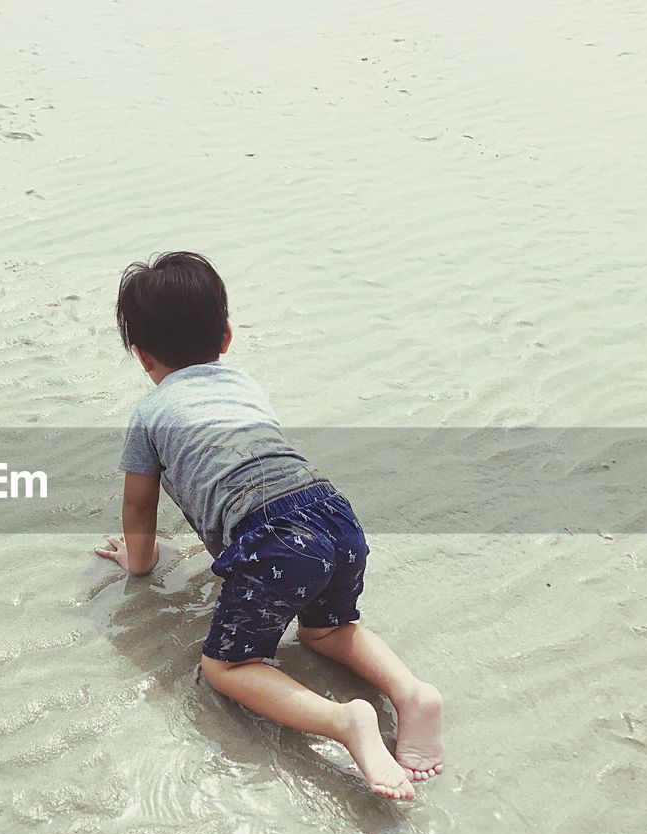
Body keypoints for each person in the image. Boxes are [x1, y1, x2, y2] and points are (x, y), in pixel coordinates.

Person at [95, 251, 443, 801]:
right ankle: (411, 692)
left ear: (141, 357)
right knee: (326, 630)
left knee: (226, 666)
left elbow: (139, 506)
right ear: (227, 336)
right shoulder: (245, 384)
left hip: (275, 538)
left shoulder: (149, 413)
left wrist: (140, 562)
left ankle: (345, 722)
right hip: (333, 513)